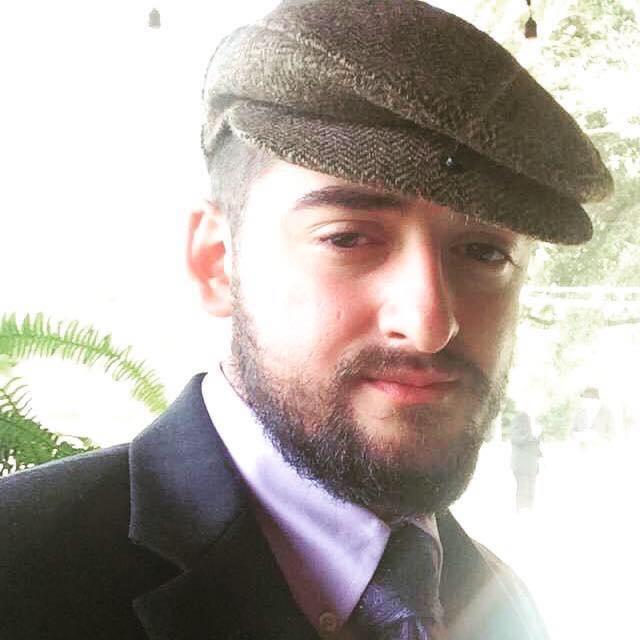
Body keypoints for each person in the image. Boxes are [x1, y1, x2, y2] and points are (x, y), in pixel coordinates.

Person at [1, 1, 613, 639]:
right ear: (215, 262)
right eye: (348, 238)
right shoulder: (17, 577)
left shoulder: (500, 603)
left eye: (485, 253)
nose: (430, 324)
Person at [510, 411, 542, 511]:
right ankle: (520, 508)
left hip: (531, 466)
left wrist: (537, 446)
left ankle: (529, 507)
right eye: (524, 421)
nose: (526, 424)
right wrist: (529, 437)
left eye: (527, 421)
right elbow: (518, 441)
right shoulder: (516, 431)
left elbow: (536, 451)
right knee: (522, 487)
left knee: (531, 487)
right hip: (520, 467)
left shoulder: (531, 434)